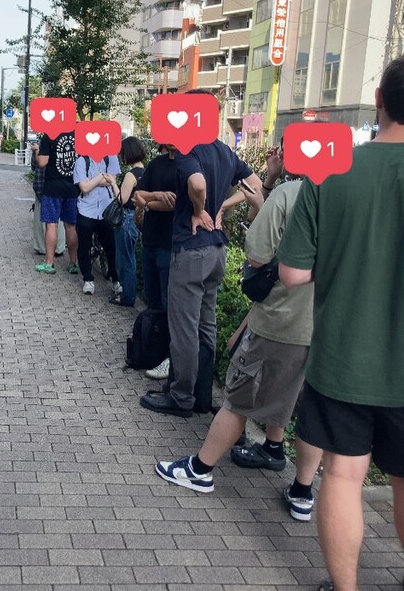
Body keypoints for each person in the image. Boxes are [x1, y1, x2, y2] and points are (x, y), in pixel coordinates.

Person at [277, 57, 404, 591]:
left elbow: (292, 273)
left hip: (343, 359)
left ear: (379, 99)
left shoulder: (329, 172)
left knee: (344, 475)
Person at [155, 148, 323, 522]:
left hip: (281, 319)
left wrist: (262, 202)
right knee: (307, 406)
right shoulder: (347, 199)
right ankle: (300, 488)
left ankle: (200, 468)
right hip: (325, 325)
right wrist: (268, 180)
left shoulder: (289, 195)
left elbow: (257, 253)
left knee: (239, 397)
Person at [140, 89, 263, 418]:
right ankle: (202, 395)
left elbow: (197, 184)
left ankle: (180, 397)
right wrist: (222, 206)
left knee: (184, 328)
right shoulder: (224, 151)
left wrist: (199, 208)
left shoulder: (187, 148)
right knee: (206, 324)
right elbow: (255, 186)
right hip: (217, 249)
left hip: (191, 249)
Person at [132, 145, 178, 379]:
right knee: (152, 300)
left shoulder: (187, 165)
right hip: (150, 241)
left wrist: (147, 202)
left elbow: (174, 203)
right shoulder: (156, 164)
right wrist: (157, 196)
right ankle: (153, 349)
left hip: (170, 245)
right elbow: (136, 195)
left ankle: (170, 357)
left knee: (169, 304)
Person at [72, 153, 122, 295]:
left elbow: (112, 180)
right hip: (86, 208)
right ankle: (88, 278)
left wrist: (91, 181)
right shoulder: (82, 161)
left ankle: (115, 279)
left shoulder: (111, 157)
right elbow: (84, 188)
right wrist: (101, 177)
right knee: (84, 246)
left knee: (111, 247)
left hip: (106, 209)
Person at [107, 137, 146, 307]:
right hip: (137, 217)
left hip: (127, 218)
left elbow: (122, 199)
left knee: (125, 259)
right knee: (130, 257)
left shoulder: (131, 175)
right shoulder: (145, 171)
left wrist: (112, 183)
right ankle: (128, 294)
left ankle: (128, 296)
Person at [35, 131, 79, 275]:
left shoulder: (49, 135)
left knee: (51, 225)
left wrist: (36, 151)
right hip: (72, 186)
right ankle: (73, 263)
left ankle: (49, 263)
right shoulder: (77, 133)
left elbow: (42, 162)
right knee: (71, 227)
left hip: (52, 187)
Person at [30, 140, 65, 257]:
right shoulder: (63, 144)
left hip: (42, 187)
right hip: (58, 187)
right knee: (58, 222)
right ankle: (58, 248)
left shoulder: (41, 145)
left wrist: (36, 151)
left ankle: (42, 247)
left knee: (41, 221)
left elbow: (36, 165)